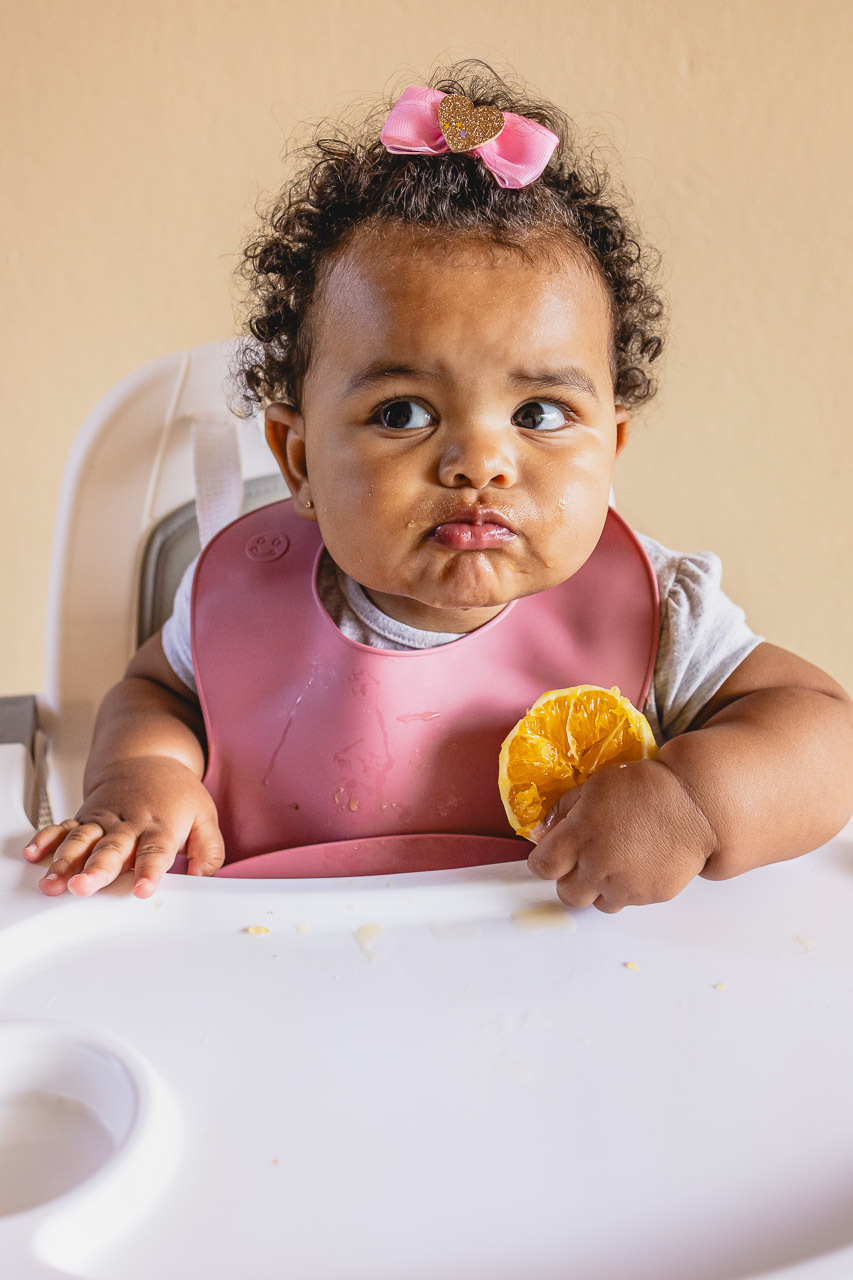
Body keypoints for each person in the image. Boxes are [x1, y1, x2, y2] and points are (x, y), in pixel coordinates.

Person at [22, 63, 853, 910]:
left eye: (537, 412)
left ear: (611, 444)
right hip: (283, 989)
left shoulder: (656, 613)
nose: (478, 462)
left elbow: (824, 733)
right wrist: (146, 772)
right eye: (403, 412)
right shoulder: (239, 596)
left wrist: (693, 803)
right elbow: (156, 690)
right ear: (298, 458)